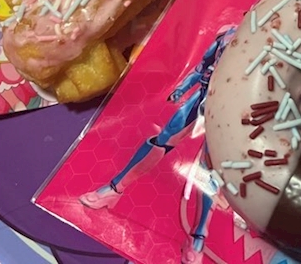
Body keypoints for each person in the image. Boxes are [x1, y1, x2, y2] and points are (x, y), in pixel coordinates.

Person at [79, 26, 238, 264]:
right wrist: (183, 88)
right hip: (201, 99)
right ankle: (113, 189)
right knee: (161, 142)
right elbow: (202, 67)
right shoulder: (228, 34)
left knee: (209, 168)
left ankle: (198, 237)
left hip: (230, 112)